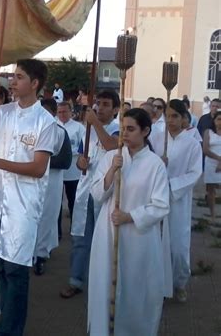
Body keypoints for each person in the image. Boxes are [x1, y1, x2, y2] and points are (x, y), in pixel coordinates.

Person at [0, 59, 62, 335]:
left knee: (16, 273)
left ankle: (11, 330)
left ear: (35, 84)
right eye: (12, 76)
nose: (12, 81)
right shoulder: (2, 112)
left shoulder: (46, 122)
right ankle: (7, 325)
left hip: (22, 208)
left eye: (19, 77)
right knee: (1, 269)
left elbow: (38, 167)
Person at [88, 108, 170, 336]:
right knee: (106, 287)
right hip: (108, 234)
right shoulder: (111, 157)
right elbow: (96, 194)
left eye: (131, 129)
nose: (125, 134)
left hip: (139, 239)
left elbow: (161, 205)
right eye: (123, 128)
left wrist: (130, 217)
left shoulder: (155, 165)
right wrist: (112, 170)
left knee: (136, 290)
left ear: (145, 131)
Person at [60, 90, 120, 299]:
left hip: (106, 195)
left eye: (105, 104)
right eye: (98, 103)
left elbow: (112, 146)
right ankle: (75, 280)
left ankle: (103, 282)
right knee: (80, 240)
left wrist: (95, 124)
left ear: (115, 109)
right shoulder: (88, 132)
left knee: (104, 240)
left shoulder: (116, 129)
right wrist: (80, 162)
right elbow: (80, 158)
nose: (100, 108)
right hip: (86, 193)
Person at [151, 99, 202, 302]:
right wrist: (157, 163)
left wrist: (171, 184)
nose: (171, 120)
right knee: (156, 243)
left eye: (175, 116)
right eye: (168, 115)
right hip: (155, 197)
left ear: (184, 119)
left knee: (178, 247)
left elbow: (195, 172)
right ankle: (158, 284)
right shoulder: (156, 138)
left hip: (177, 200)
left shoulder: (192, 144)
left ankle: (180, 282)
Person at [33, 98, 71, 275]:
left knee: (46, 218)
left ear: (54, 113)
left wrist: (40, 160)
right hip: (31, 182)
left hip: (51, 184)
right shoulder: (30, 130)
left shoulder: (60, 132)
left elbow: (65, 160)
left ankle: (40, 256)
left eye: (48, 111)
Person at [57, 102, 86, 234]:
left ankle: (74, 229)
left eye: (65, 112)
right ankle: (56, 231)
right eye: (60, 112)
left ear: (71, 112)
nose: (62, 114)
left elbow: (83, 147)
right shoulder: (53, 125)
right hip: (57, 171)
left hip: (73, 171)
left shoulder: (79, 128)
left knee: (73, 201)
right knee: (56, 204)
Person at [203, 111, 221, 219]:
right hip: (211, 162)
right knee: (211, 190)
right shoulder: (208, 132)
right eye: (218, 119)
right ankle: (212, 213)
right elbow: (205, 149)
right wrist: (219, 159)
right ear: (214, 121)